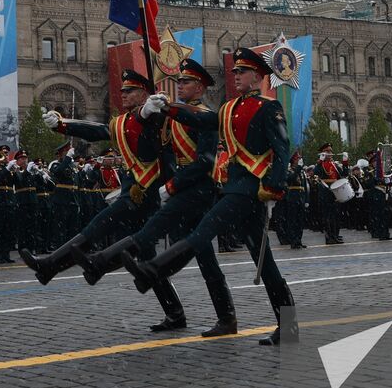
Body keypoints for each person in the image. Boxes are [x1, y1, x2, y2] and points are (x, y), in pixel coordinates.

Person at [121, 48, 296, 345]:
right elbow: (202, 121)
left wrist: (275, 186)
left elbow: (282, 148)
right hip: (233, 187)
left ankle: (154, 268)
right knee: (264, 262)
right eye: (235, 72)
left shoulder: (269, 107)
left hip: (251, 189)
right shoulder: (228, 109)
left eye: (242, 72)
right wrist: (168, 108)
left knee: (204, 231)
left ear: (257, 76)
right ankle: (288, 327)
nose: (236, 76)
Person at [74, 57, 239, 337]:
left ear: (199, 87)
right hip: (184, 190)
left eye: (185, 82)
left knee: (162, 237)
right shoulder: (178, 117)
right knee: (199, 254)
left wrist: (172, 185)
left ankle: (105, 263)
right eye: (179, 81)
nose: (180, 86)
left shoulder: (205, 117)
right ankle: (200, 313)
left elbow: (205, 162)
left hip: (201, 191)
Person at [24, 68, 188, 332]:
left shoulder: (157, 115)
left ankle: (58, 265)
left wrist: (151, 111)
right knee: (146, 258)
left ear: (144, 93)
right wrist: (63, 124)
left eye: (130, 91)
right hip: (136, 192)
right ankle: (174, 312)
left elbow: (155, 134)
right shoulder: (124, 121)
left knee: (103, 225)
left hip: (154, 191)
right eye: (122, 91)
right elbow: (99, 130)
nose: (124, 95)